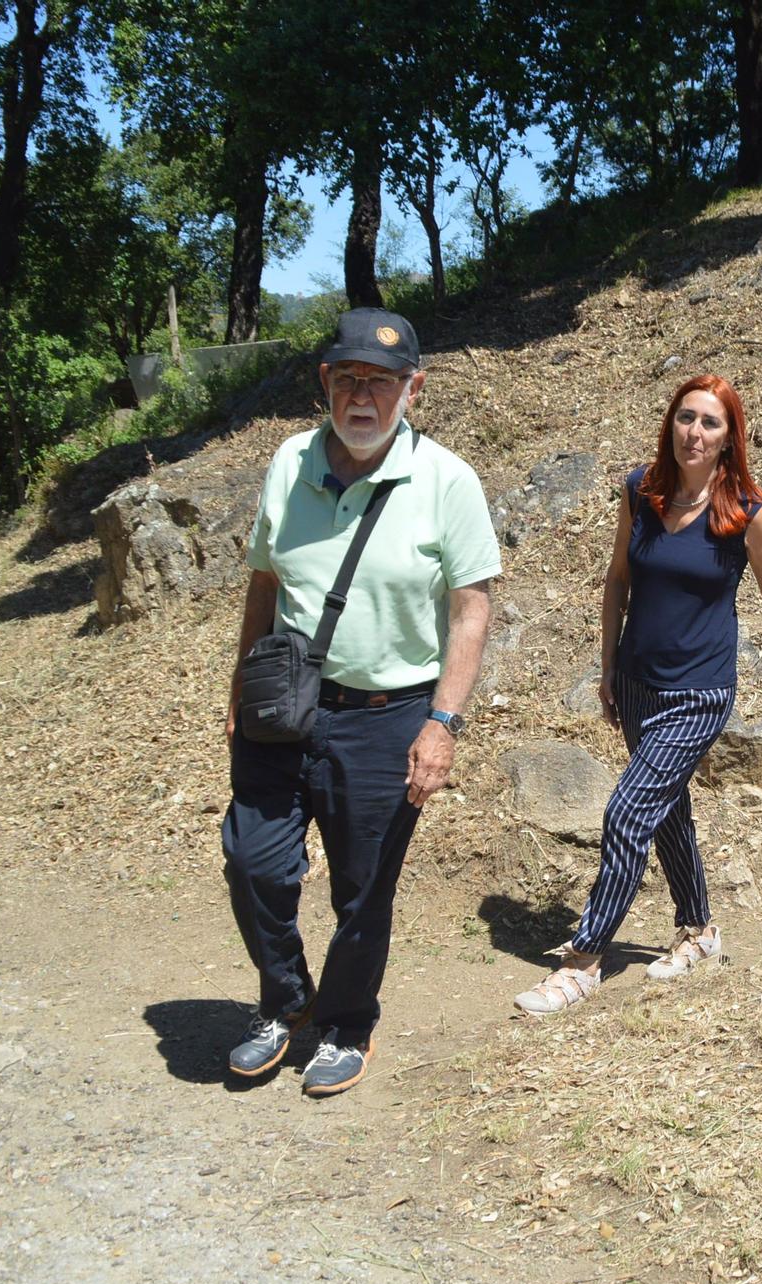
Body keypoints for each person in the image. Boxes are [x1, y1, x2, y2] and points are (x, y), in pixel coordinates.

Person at [223, 307, 500, 1096]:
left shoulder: (447, 481)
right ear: (325, 384)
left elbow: (470, 607)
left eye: (381, 382)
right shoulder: (289, 462)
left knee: (362, 889)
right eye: (348, 379)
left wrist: (442, 724)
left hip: (388, 718)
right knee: (252, 859)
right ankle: (285, 1001)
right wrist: (240, 685)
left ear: (414, 388)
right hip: (284, 705)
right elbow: (265, 582)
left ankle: (346, 1024)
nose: (363, 397)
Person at [513, 374, 762, 1014]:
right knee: (665, 812)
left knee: (626, 812)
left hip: (698, 694)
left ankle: (583, 961)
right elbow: (616, 582)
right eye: (685, 417)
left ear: (729, 438)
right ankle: (699, 931)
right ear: (671, 423)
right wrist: (607, 667)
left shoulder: (746, 511)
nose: (695, 431)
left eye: (710, 423)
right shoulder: (642, 489)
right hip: (637, 684)